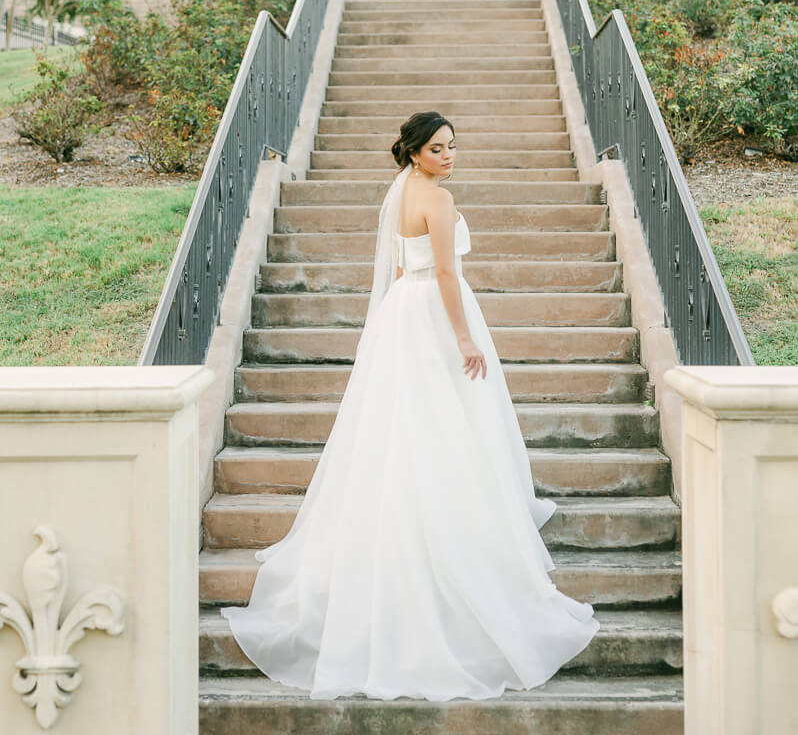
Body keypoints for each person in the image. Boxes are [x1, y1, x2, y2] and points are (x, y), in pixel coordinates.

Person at [221, 110, 600, 699]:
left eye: (454, 146)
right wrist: (465, 338)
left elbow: (401, 266)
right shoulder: (440, 203)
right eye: (440, 148)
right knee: (447, 425)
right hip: (435, 314)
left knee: (404, 424)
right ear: (417, 151)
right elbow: (445, 273)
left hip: (403, 311)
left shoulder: (401, 193)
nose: (450, 156)